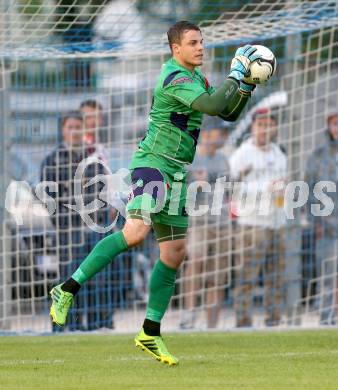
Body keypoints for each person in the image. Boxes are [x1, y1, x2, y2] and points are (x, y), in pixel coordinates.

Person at [49, 20, 265, 365]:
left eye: (202, 42)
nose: (200, 47)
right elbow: (211, 106)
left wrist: (246, 87)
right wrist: (237, 72)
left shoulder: (197, 79)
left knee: (174, 253)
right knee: (135, 231)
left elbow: (226, 112)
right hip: (153, 164)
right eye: (193, 42)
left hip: (176, 173)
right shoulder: (174, 76)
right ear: (175, 49)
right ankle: (66, 289)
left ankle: (150, 331)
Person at [41, 112, 114, 331]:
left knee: (96, 281)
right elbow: (47, 197)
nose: (74, 131)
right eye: (69, 127)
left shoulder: (93, 161)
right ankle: (62, 328)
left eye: (77, 127)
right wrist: (65, 222)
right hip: (68, 232)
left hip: (92, 230)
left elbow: (102, 193)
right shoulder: (52, 160)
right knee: (67, 281)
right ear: (63, 130)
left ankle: (98, 326)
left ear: (84, 130)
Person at [229, 108, 287, 327]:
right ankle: (243, 321)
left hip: (276, 221)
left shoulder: (278, 153)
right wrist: (266, 188)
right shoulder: (241, 154)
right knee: (247, 275)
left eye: (269, 124)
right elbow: (233, 189)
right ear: (253, 127)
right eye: (261, 125)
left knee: (276, 275)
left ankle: (274, 319)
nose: (265, 129)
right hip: (251, 223)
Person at [180, 121, 232, 329]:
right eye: (221, 132)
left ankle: (212, 323)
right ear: (209, 133)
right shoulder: (190, 156)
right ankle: (189, 314)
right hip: (197, 221)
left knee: (218, 273)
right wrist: (194, 181)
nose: (224, 137)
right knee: (196, 263)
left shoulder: (223, 159)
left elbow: (229, 186)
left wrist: (209, 179)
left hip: (221, 221)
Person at [305, 110, 338, 325]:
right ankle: (326, 318)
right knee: (326, 272)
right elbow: (307, 190)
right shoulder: (317, 154)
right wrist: (314, 220)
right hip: (326, 224)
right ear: (328, 127)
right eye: (335, 124)